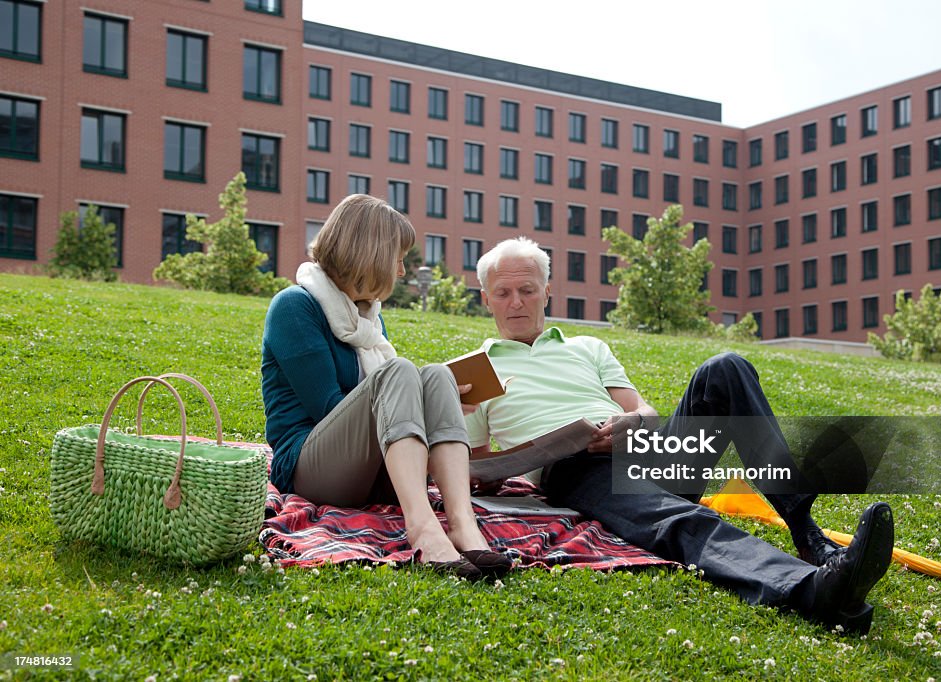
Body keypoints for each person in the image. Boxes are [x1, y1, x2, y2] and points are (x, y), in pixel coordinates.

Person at [464, 236, 895, 632]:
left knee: (724, 368)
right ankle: (818, 590)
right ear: (486, 299)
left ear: (547, 291)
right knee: (682, 522)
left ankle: (807, 533)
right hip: (579, 469)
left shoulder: (587, 347)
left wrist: (632, 423)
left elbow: (645, 411)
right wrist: (509, 455)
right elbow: (479, 468)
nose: (516, 302)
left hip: (649, 448)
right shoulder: (474, 368)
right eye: (503, 293)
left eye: (527, 289)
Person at [260, 194, 510, 580]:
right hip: (309, 466)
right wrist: (408, 406)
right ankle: (423, 527)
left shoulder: (367, 318)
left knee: (438, 376)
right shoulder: (295, 307)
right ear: (371, 254)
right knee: (399, 371)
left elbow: (385, 407)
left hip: (369, 472)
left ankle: (462, 523)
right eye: (398, 256)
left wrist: (440, 404)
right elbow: (330, 409)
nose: (402, 268)